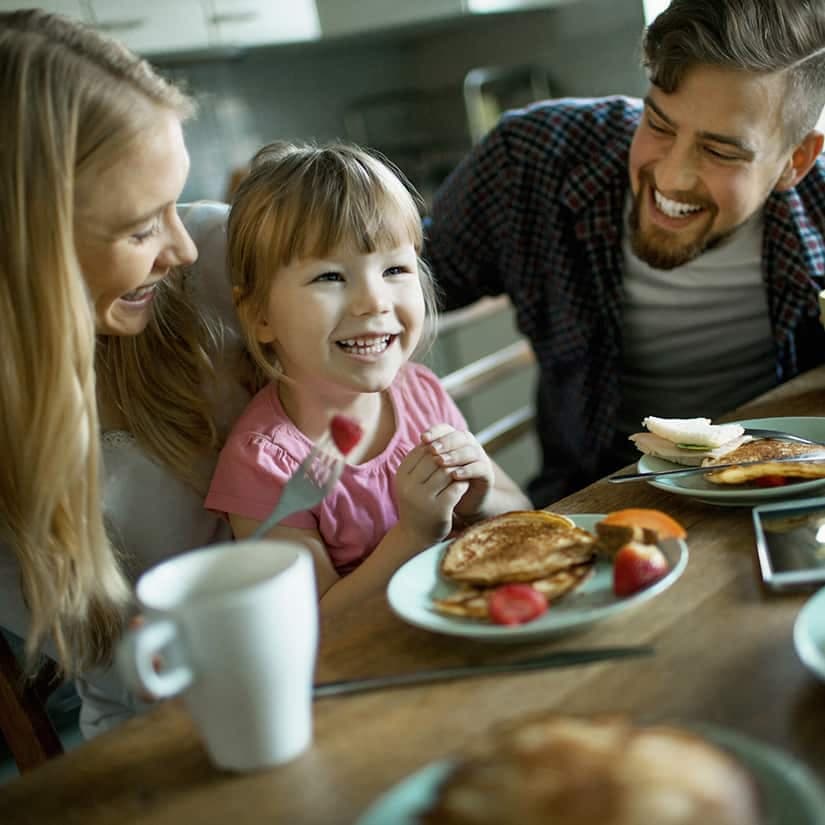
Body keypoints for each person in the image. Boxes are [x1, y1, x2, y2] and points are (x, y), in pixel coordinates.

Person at [424, 0, 825, 507]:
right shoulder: (530, 161)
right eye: (657, 123)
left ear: (796, 160)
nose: (671, 177)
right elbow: (395, 278)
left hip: (781, 491)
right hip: (594, 500)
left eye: (720, 151)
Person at [0, 10, 249, 737]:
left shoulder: (223, 258)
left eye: (175, 202)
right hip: (147, 738)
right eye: (140, 228)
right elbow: (103, 660)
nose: (181, 248)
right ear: (26, 252)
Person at [205, 141, 531, 615]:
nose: (374, 302)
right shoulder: (264, 465)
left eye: (395, 269)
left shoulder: (421, 393)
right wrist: (415, 534)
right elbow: (315, 627)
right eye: (331, 277)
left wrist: (478, 502)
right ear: (259, 315)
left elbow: (523, 513)